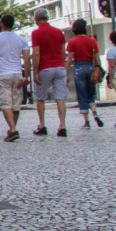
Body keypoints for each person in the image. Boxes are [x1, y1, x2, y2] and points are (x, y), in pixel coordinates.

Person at [0, 14, 31, 142]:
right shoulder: (21, 40)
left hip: (3, 74)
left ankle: (13, 130)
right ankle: (12, 129)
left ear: (2, 24)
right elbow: (27, 58)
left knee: (6, 103)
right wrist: (26, 75)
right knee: (16, 105)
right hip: (17, 74)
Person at [31, 8, 68, 137]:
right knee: (60, 98)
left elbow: (36, 53)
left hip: (45, 67)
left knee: (40, 98)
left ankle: (42, 125)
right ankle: (62, 126)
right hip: (59, 66)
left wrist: (35, 72)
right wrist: (61, 62)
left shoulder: (36, 33)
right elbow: (63, 51)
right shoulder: (59, 32)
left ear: (36, 19)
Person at [65, 18, 104, 129]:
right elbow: (97, 57)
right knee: (91, 93)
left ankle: (86, 122)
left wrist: (67, 73)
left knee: (82, 95)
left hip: (78, 68)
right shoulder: (92, 40)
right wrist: (98, 68)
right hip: (90, 67)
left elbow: (69, 59)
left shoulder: (72, 42)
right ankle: (95, 112)